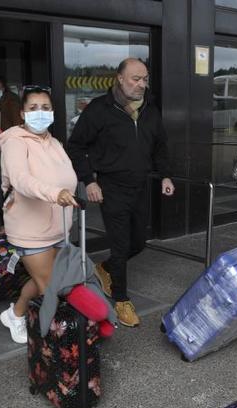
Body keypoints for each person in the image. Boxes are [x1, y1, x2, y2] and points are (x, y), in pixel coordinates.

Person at [67, 58, 174, 328]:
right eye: (135, 79)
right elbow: (76, 146)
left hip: (140, 185)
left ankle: (107, 268)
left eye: (145, 79)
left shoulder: (150, 110)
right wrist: (89, 181)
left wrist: (165, 175)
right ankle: (122, 299)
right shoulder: (99, 110)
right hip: (110, 187)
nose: (141, 84)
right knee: (121, 243)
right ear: (120, 78)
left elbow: (160, 146)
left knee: (139, 241)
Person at [0, 85, 79, 343]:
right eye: (33, 108)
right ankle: (60, 346)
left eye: (45, 107)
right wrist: (55, 193)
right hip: (31, 229)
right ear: (22, 113)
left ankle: (16, 313)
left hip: (58, 226)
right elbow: (22, 180)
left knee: (51, 278)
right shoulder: (14, 143)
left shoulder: (53, 142)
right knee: (49, 287)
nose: (40, 113)